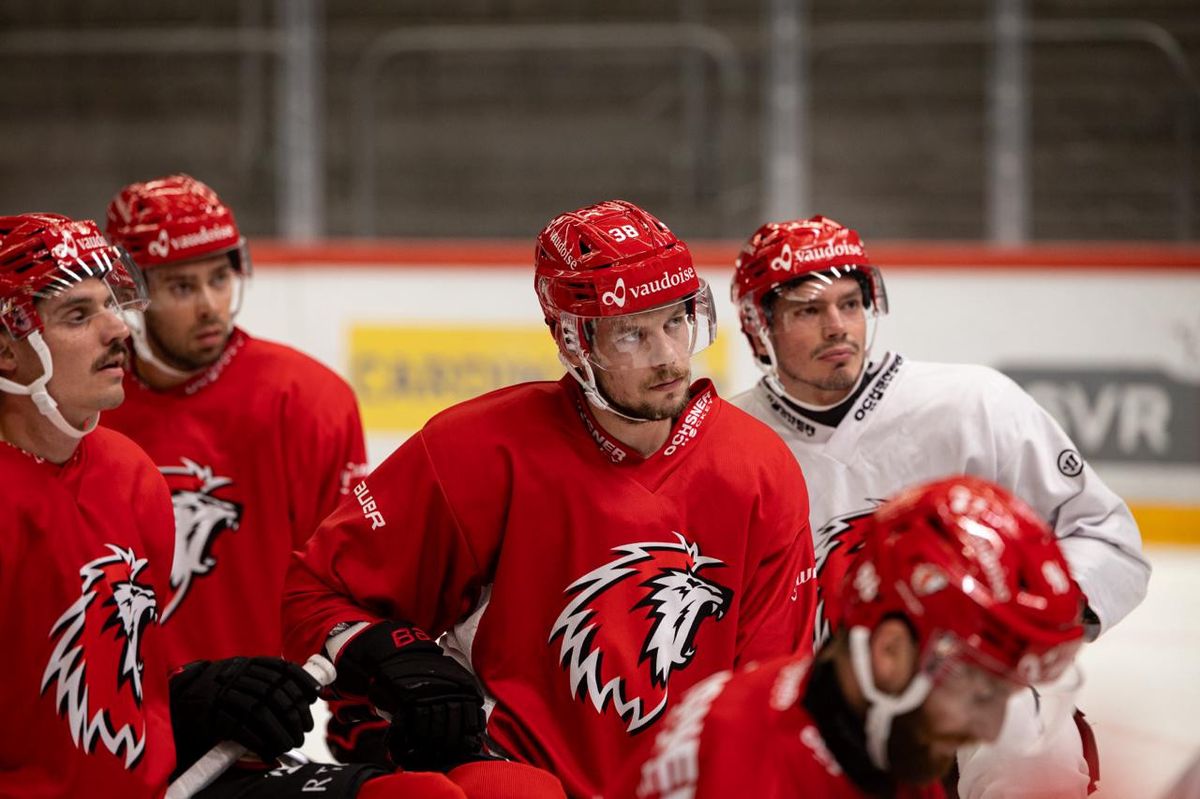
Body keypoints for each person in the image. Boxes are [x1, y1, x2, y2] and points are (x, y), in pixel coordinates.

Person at [0, 213, 564, 799]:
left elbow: (130, 682)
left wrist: (196, 698)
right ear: (6, 352)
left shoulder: (130, 474)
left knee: (501, 791)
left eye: (111, 304)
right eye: (77, 314)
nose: (117, 328)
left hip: (166, 777)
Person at [282, 199, 819, 798]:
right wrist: (387, 660)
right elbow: (317, 592)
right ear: (572, 342)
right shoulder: (478, 450)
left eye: (676, 320)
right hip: (516, 779)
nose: (668, 355)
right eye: (632, 334)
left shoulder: (760, 468)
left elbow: (773, 697)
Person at [728, 216, 1151, 796]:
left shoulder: (975, 403)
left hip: (982, 674)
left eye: (851, 304)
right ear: (760, 325)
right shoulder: (732, 439)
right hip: (824, 698)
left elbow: (1105, 536)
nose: (838, 327)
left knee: (1029, 765)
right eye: (807, 310)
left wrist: (1017, 627)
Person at [101, 174, 383, 763]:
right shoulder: (82, 406)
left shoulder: (307, 401)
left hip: (252, 737)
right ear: (130, 292)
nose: (210, 304)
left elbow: (345, 579)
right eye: (182, 286)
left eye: (221, 277)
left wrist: (361, 715)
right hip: (111, 729)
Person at [607, 475, 1089, 799]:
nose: (988, 728)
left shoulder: (881, 734)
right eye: (981, 691)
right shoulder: (747, 770)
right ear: (890, 651)